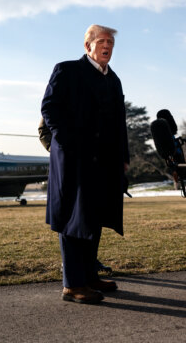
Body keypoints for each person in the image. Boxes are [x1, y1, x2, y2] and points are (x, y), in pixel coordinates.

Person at [41, 24, 129, 304]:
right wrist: (67, 144)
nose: (107, 47)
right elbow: (49, 108)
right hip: (74, 161)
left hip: (104, 162)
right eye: (102, 41)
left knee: (95, 217)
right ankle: (73, 284)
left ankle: (90, 275)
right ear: (87, 46)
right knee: (72, 218)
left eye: (111, 43)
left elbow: (119, 123)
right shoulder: (67, 70)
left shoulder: (113, 79)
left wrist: (123, 157)